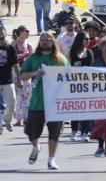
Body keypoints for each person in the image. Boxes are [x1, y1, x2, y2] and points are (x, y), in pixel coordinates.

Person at [20, 32, 69, 170]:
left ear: (53, 42)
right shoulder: (33, 58)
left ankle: (51, 159)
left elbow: (69, 77)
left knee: (54, 133)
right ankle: (36, 146)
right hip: (37, 102)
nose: (45, 42)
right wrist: (35, 73)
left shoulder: (60, 59)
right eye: (42, 40)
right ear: (39, 42)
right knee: (31, 132)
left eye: (48, 40)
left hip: (55, 104)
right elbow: (22, 76)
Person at [67, 32, 94, 142]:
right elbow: (66, 67)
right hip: (75, 84)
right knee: (76, 108)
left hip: (87, 85)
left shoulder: (90, 52)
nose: (88, 41)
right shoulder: (72, 53)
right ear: (79, 40)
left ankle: (85, 132)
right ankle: (74, 130)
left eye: (89, 39)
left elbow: (92, 68)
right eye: (85, 39)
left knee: (86, 109)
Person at [12, 25, 33, 127]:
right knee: (17, 95)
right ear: (20, 32)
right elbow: (10, 58)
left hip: (27, 72)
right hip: (16, 71)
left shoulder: (29, 45)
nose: (28, 33)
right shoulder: (13, 44)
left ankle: (26, 117)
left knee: (27, 95)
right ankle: (18, 119)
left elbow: (32, 58)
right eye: (26, 31)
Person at [0, 26, 19, 134]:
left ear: (6, 34)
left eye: (2, 33)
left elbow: (15, 64)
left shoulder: (10, 48)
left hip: (8, 80)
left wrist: (19, 78)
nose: (1, 35)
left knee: (12, 103)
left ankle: (7, 120)